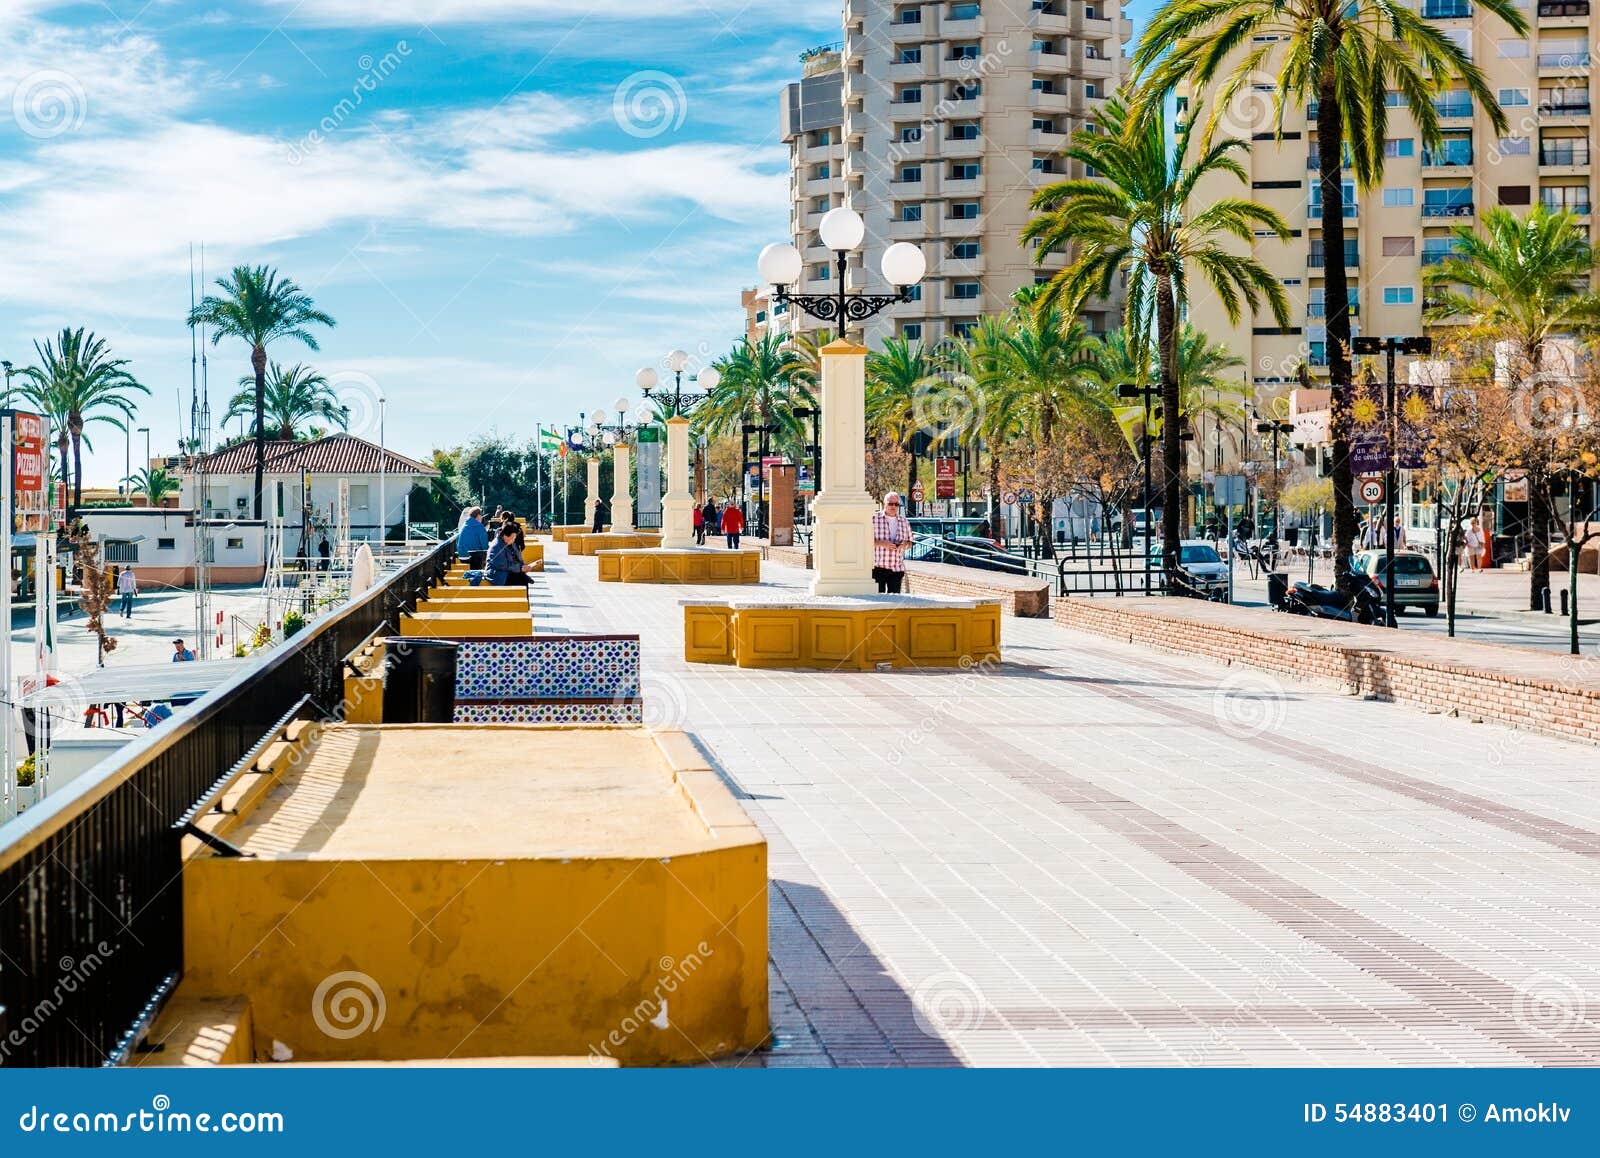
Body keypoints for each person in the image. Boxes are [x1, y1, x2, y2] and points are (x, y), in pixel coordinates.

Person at [871, 491, 913, 593]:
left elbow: (910, 543)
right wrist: (882, 543)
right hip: (878, 567)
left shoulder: (905, 522)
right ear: (884, 504)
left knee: (894, 601)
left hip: (896, 568)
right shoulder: (873, 518)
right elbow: (864, 541)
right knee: (878, 600)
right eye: (890, 503)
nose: (893, 506)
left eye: (896, 504)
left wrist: (904, 545)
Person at [486, 522, 531, 587]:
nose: (513, 540)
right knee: (521, 581)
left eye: (514, 538)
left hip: (510, 571)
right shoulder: (496, 546)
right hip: (497, 574)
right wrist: (520, 568)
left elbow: (518, 557)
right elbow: (502, 565)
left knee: (523, 578)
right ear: (505, 535)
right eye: (512, 537)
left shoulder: (511, 543)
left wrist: (523, 566)